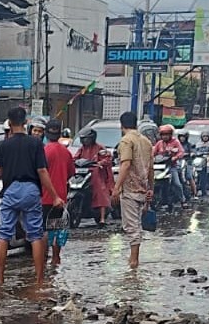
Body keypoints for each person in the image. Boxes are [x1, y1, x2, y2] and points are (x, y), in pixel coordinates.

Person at [0, 107, 63, 286]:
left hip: (10, 190)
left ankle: (0, 281)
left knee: (4, 234)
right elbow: (42, 171)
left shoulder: (3, 145)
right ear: (26, 123)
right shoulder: (35, 143)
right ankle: (39, 281)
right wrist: (55, 196)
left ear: (9, 123)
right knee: (35, 235)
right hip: (31, 190)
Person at [112, 111, 154, 270]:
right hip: (142, 188)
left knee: (131, 227)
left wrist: (117, 187)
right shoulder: (146, 141)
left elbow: (126, 164)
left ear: (121, 125)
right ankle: (134, 258)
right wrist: (151, 188)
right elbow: (151, 168)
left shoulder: (126, 141)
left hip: (130, 188)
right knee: (136, 225)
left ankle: (134, 262)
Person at [42, 119, 75, 264]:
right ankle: (56, 257)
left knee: (44, 229)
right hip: (61, 197)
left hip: (44, 197)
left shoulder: (43, 151)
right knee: (57, 228)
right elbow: (70, 173)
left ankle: (42, 258)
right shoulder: (66, 152)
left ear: (46, 133)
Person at [74, 127, 114, 225]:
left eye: (86, 138)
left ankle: (102, 217)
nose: (84, 141)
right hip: (84, 173)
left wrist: (100, 162)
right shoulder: (81, 149)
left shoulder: (99, 148)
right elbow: (75, 158)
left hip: (97, 174)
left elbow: (107, 158)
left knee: (100, 190)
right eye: (82, 139)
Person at [153, 125, 188, 208]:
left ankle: (183, 200)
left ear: (170, 135)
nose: (165, 136)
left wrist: (175, 157)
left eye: (167, 134)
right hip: (159, 167)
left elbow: (181, 152)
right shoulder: (159, 143)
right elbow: (153, 153)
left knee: (177, 184)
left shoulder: (175, 142)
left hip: (172, 166)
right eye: (163, 135)